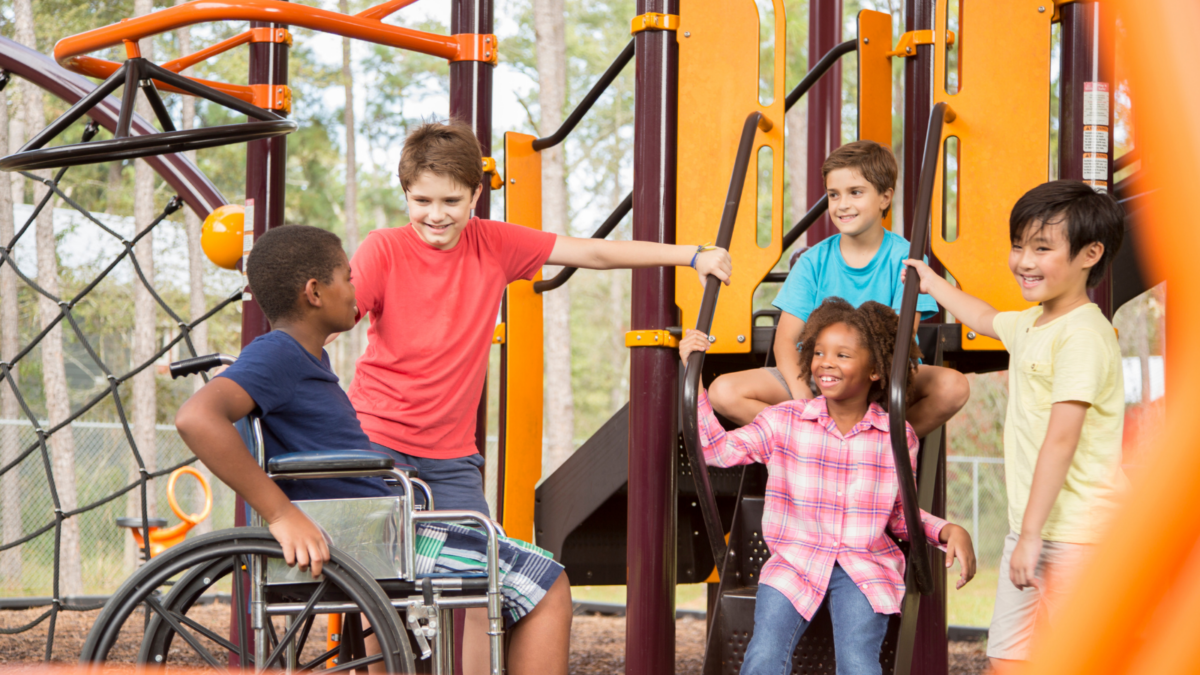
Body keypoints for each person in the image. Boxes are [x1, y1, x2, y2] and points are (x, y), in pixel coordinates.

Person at [342, 120, 732, 671]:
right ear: (405, 193)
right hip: (377, 444)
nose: (436, 214)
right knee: (381, 588)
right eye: (421, 199)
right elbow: (338, 313)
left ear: (477, 194)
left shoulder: (494, 243)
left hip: (450, 458)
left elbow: (591, 253)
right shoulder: (384, 249)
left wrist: (690, 255)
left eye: (452, 200)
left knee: (483, 589)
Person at [174, 225, 572, 675]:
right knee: (547, 584)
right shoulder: (278, 355)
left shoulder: (302, 356)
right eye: (348, 277)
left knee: (509, 559)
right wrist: (282, 514)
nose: (356, 287)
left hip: (377, 529)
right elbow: (196, 417)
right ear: (315, 292)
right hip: (368, 539)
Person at [681, 297, 976, 675]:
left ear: (875, 370)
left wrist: (947, 529)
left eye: (842, 355)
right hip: (795, 562)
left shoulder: (896, 437)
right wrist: (695, 377)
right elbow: (716, 451)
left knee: (858, 663)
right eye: (818, 352)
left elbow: (899, 514)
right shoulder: (784, 421)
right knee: (764, 656)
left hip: (863, 567)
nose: (825, 363)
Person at [902, 180, 1128, 667]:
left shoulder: (1084, 336)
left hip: (1080, 535)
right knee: (1007, 657)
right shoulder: (1032, 325)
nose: (1024, 260)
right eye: (1019, 245)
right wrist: (934, 284)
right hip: (1031, 529)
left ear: (1091, 253)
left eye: (1042, 248)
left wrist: (1030, 535)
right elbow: (985, 317)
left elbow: (1061, 440)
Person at [705, 140, 969, 438]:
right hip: (820, 376)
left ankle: (880, 442)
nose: (842, 204)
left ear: (885, 197)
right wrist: (806, 404)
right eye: (834, 195)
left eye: (855, 192)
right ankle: (814, 438)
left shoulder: (906, 260)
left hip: (879, 377)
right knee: (723, 391)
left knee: (954, 386)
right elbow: (785, 342)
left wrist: (868, 381)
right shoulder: (813, 262)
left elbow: (899, 339)